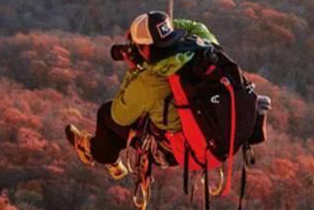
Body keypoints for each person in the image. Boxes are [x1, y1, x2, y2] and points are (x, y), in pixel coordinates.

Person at [66, 10, 265, 175]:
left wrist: (134, 70)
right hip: (218, 134)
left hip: (176, 150)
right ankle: (110, 157)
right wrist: (163, 29)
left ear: (145, 49)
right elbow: (197, 26)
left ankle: (99, 154)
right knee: (143, 108)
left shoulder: (150, 80)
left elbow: (120, 115)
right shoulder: (203, 44)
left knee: (107, 114)